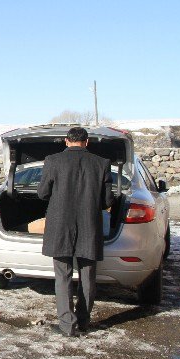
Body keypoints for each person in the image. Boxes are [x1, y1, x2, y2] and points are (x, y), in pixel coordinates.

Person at [37, 126, 114, 337]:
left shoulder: (53, 161)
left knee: (62, 276)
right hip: (89, 226)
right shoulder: (102, 163)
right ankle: (83, 322)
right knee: (88, 277)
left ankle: (67, 325)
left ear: (66, 141)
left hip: (60, 227)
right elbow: (107, 200)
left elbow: (43, 193)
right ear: (87, 142)